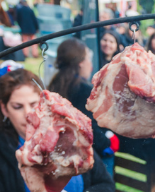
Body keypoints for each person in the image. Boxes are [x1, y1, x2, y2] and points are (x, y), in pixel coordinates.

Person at [48, 38, 113, 176]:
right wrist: (108, 143)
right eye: (89, 59)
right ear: (81, 63)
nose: (90, 64)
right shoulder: (83, 89)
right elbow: (88, 127)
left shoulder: (55, 83)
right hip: (88, 157)